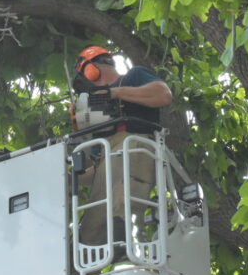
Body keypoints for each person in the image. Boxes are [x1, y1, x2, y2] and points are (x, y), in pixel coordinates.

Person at [71, 46, 173, 248]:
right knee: (89, 230)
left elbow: (164, 95)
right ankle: (87, 255)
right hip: (112, 167)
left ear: (93, 69)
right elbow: (100, 170)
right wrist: (69, 179)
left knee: (120, 158)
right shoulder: (100, 132)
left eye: (85, 79)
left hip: (136, 152)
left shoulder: (133, 77)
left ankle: (120, 233)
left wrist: (114, 93)